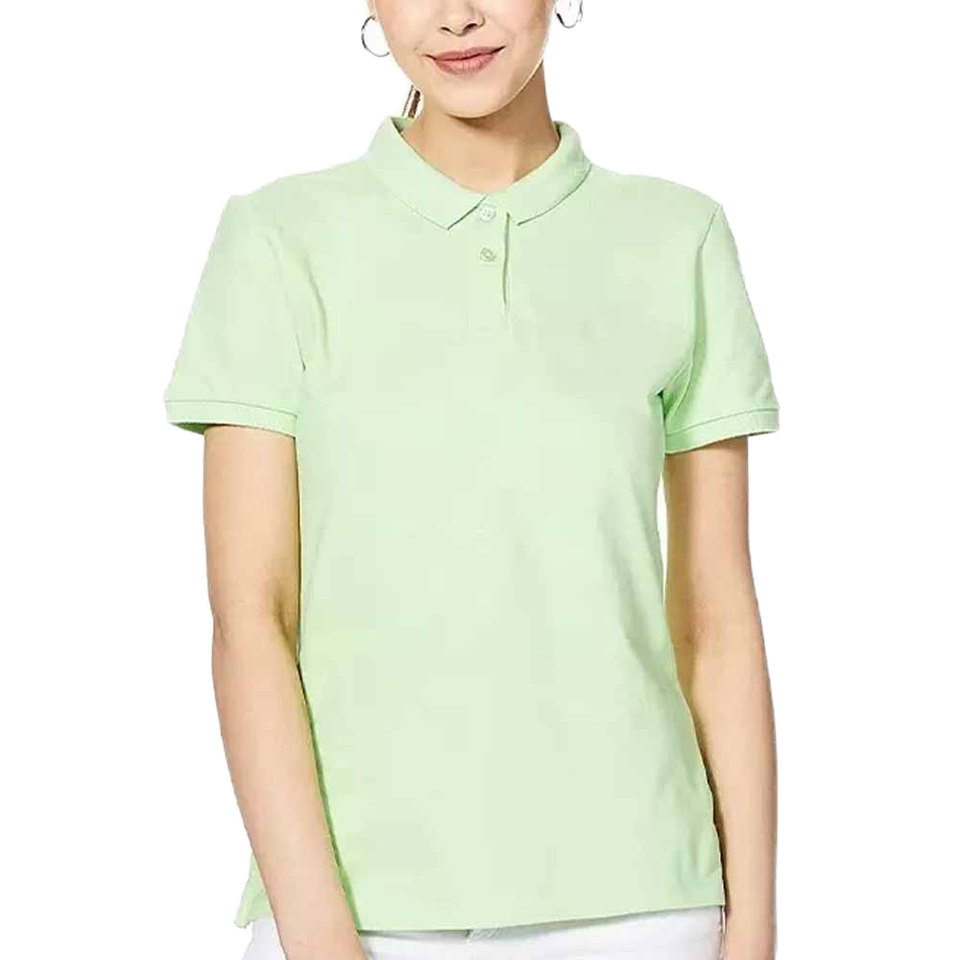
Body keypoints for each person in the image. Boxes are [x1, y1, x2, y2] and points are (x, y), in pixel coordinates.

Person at [162, 2, 780, 958]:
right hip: (358, 906)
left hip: (640, 901)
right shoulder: (278, 239)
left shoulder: (678, 235)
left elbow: (717, 618)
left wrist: (756, 931)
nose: (455, 17)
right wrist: (317, 931)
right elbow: (252, 618)